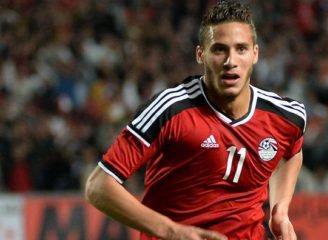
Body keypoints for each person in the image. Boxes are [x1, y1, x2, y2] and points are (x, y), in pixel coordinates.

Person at [85, 1, 306, 239]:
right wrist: (173, 231)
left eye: (241, 49)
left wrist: (280, 211)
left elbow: (291, 151)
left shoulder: (286, 116)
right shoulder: (170, 109)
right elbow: (98, 186)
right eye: (219, 49)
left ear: (255, 54)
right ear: (201, 54)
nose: (230, 61)